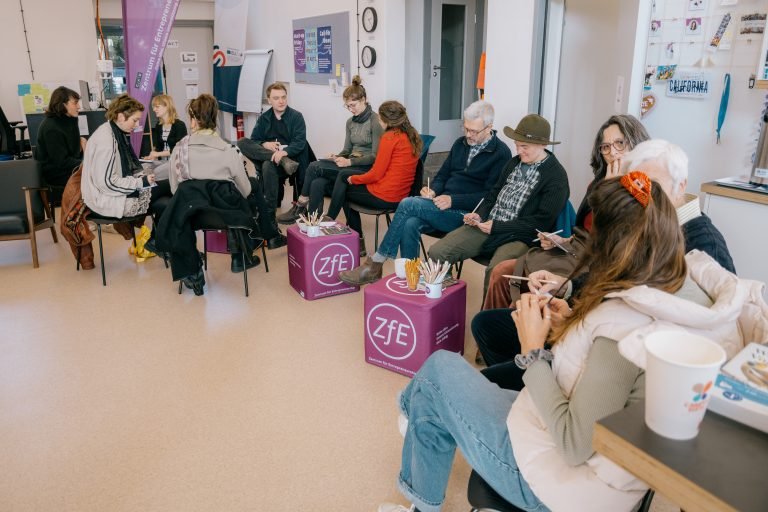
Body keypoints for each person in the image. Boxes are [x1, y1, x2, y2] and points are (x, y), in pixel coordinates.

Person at [379, 172, 753, 512]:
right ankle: (418, 419)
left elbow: (574, 446)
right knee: (437, 385)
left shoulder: (623, 328)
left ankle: (414, 422)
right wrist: (571, 324)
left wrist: (532, 351)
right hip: (598, 467)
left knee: (437, 371)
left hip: (556, 484)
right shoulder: (697, 293)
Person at [474, 139, 736, 389]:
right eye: (636, 186)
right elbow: (609, 275)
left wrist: (555, 340)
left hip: (617, 352)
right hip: (592, 331)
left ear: (681, 186)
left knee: (485, 378)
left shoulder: (704, 245)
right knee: (487, 325)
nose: (643, 196)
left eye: (652, 186)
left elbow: (685, 337)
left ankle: (526, 383)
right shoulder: (643, 224)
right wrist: (567, 292)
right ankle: (523, 383)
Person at [482, 114, 650, 310]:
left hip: (597, 264)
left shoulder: (644, 193)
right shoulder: (597, 184)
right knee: (501, 271)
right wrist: (562, 240)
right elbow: (585, 231)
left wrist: (612, 194)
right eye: (605, 146)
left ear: (636, 143)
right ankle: (491, 326)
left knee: (525, 299)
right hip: (575, 251)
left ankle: (509, 323)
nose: (612, 152)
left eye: (619, 143)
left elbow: (618, 246)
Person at [338, 100, 511, 285]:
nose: (468, 135)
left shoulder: (501, 153)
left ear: (489, 127)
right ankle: (410, 279)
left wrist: (453, 200)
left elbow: (490, 197)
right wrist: (433, 190)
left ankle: (376, 263)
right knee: (409, 223)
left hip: (468, 214)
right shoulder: (460, 144)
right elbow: (443, 175)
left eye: (474, 131)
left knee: (408, 203)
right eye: (465, 128)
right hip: (441, 206)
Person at [155, 94, 283, 295]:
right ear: (214, 119)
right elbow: (244, 190)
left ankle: (198, 270)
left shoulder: (179, 149)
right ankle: (248, 249)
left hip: (189, 216)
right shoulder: (228, 150)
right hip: (226, 215)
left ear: (193, 120)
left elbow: (174, 189)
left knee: (185, 198)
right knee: (252, 186)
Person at [428, 114, 569, 293]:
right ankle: (443, 300)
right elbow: (492, 194)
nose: (519, 151)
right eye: (517, 145)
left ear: (543, 145)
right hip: (489, 224)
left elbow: (541, 222)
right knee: (438, 252)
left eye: (524, 147)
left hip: (519, 236)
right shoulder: (513, 163)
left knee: (496, 272)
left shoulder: (556, 176)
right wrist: (480, 214)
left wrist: (498, 227)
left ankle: (488, 311)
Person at [277, 76, 383, 224]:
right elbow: (347, 150)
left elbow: (375, 156)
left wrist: (349, 162)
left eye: (353, 105)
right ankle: (314, 222)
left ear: (364, 99)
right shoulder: (350, 122)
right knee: (317, 183)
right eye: (347, 106)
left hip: (365, 167)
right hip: (351, 163)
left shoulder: (375, 121)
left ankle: (300, 206)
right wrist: (337, 156)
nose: (351, 109)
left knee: (313, 167)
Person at [325, 100, 422, 256]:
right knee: (344, 178)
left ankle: (340, 229)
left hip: (385, 196)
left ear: (387, 120)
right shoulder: (411, 135)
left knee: (343, 186)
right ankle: (332, 222)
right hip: (402, 197)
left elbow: (376, 174)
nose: (378, 120)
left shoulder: (389, 137)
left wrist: (354, 179)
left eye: (380, 117)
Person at [237, 82, 311, 235]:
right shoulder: (264, 118)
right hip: (274, 160)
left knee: (267, 165)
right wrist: (265, 144)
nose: (281, 101)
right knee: (242, 142)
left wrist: (284, 153)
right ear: (269, 100)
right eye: (276, 98)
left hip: (291, 161)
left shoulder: (296, 116)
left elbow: (300, 143)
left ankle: (269, 219)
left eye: (283, 97)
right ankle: (270, 218)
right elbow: (254, 140)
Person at [80, 94, 158, 218]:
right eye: (135, 120)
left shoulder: (114, 131)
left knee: (165, 201)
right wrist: (140, 182)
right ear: (121, 117)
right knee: (169, 189)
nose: (137, 125)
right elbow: (107, 183)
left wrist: (141, 180)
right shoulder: (106, 140)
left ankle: (157, 231)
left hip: (110, 193)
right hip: (104, 199)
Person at [36, 86, 87, 191]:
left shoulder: (69, 119)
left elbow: (73, 152)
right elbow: (61, 162)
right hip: (55, 174)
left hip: (68, 167)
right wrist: (87, 163)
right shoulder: (51, 128)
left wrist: (81, 145)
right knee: (95, 177)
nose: (79, 107)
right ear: (63, 104)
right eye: (75, 103)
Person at [141, 94, 187, 180]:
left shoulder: (180, 125)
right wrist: (152, 156)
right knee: (142, 168)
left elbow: (178, 150)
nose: (154, 109)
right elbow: (158, 147)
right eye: (153, 107)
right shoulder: (158, 126)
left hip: (176, 162)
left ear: (167, 106)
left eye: (157, 107)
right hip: (163, 161)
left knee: (154, 173)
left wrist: (157, 154)